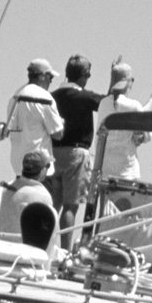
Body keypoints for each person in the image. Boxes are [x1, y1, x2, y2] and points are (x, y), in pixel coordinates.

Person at [49, 55, 106, 241]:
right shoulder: (85, 97)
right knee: (70, 207)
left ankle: (43, 246)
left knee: (52, 205)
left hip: (53, 153)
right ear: (83, 76)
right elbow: (108, 104)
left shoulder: (52, 97)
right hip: (76, 155)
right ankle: (65, 251)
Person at [7, 59, 63, 183]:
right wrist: (61, 122)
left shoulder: (15, 96)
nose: (51, 81)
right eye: (50, 76)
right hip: (40, 168)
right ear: (42, 76)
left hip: (19, 167)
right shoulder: (44, 98)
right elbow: (57, 134)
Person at [97, 62, 150, 185]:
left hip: (105, 172)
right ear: (129, 81)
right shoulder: (134, 106)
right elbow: (148, 134)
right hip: (127, 173)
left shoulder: (103, 104)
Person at [0, 150, 58, 254]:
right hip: (21, 255)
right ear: (43, 171)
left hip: (0, 247)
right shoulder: (42, 195)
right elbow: (49, 237)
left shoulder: (6, 188)